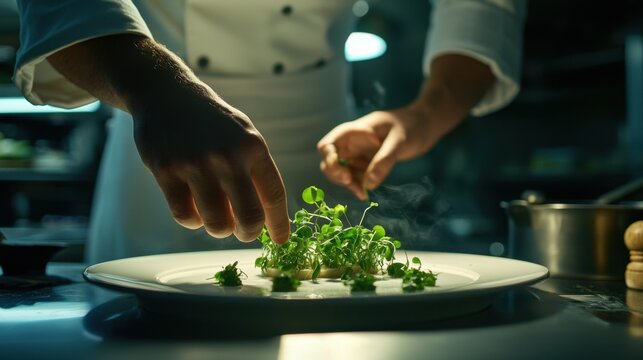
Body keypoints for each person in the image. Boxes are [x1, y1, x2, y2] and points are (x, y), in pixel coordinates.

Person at [13, 0, 526, 263]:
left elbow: (481, 6)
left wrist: (421, 116)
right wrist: (155, 88)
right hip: (155, 155)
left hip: (326, 157)